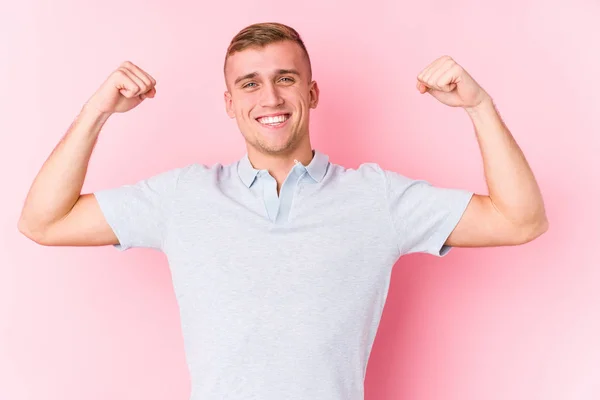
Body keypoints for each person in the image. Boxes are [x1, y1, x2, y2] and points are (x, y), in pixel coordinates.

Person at [18, 22, 548, 400]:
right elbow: (43, 221)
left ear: (311, 92)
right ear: (229, 102)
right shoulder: (183, 197)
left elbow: (520, 219)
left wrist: (478, 106)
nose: (269, 96)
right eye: (249, 83)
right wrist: (96, 112)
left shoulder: (377, 199)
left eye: (285, 78)